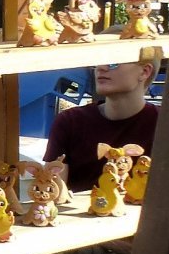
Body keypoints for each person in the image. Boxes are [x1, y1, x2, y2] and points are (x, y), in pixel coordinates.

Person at [44, 51, 160, 190]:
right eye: (98, 60)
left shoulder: (167, 124)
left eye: (113, 62)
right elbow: (51, 193)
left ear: (144, 71)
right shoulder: (69, 122)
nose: (101, 68)